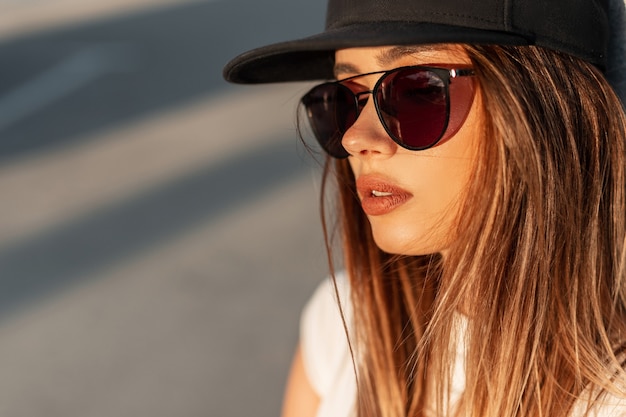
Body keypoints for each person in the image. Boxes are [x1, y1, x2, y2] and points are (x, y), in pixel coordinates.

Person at [223, 0, 626, 416]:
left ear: (543, 109)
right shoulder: (343, 325)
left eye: (418, 92)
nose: (355, 137)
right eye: (346, 98)